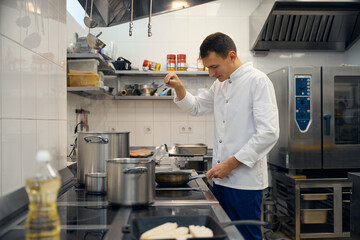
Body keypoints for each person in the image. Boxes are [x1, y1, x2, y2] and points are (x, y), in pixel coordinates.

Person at [164, 32, 279, 240]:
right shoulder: (220, 84)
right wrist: (180, 87)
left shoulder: (258, 81)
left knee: (246, 236)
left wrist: (231, 164)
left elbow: (269, 133)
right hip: (221, 181)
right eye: (208, 67)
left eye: (214, 67)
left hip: (245, 182)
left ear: (231, 56)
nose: (211, 73)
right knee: (222, 235)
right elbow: (197, 107)